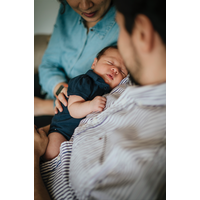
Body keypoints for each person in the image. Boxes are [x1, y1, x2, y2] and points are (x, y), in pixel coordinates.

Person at [34, 0, 166, 199]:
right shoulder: (133, 80)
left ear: (142, 32)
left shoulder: (144, 160)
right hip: (58, 119)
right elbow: (49, 66)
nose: (85, 5)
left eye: (120, 29)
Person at [34, 0, 119, 128]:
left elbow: (105, 100)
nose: (85, 6)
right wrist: (60, 88)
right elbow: (48, 64)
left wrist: (44, 106)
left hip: (73, 112)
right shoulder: (67, 10)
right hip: (51, 87)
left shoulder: (126, 24)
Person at [42, 46, 128, 161]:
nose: (115, 69)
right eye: (110, 62)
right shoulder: (84, 82)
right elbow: (73, 109)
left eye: (122, 71)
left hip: (78, 134)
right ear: (94, 63)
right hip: (62, 130)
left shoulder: (109, 91)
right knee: (51, 152)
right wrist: (91, 105)